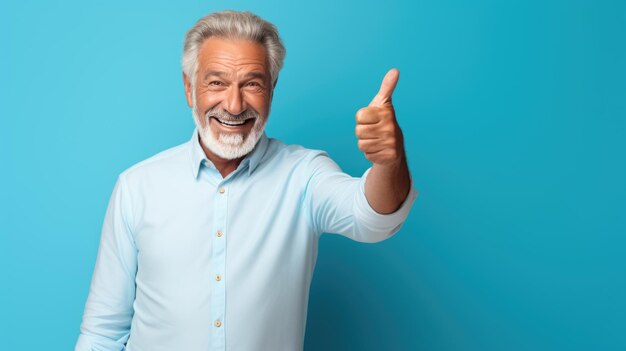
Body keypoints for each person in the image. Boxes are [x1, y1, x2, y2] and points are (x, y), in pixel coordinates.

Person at [75, 10, 418, 351]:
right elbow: (103, 333)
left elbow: (373, 219)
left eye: (252, 83)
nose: (234, 104)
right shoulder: (137, 187)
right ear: (189, 88)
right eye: (217, 82)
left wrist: (390, 160)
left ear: (272, 89)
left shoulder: (304, 174)